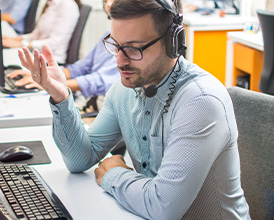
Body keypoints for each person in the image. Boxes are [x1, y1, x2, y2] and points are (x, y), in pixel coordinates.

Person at [17, 0, 251, 219]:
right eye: (116, 45)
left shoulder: (200, 102)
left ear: (173, 42)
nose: (119, 61)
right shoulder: (125, 89)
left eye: (133, 49)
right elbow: (80, 160)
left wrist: (113, 174)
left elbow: (162, 207)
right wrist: (61, 97)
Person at [7, 0, 119, 109]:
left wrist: (51, 84)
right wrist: (44, 76)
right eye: (105, 0)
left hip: (106, 107)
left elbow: (100, 81)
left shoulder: (128, 41)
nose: (108, 4)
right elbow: (81, 67)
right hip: (96, 100)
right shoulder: (108, 35)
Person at [2, 0, 81, 64]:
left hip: (50, 63)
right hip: (36, 57)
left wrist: (22, 44)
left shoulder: (67, 5)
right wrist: (12, 39)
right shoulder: (51, 4)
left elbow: (54, 43)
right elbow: (35, 35)